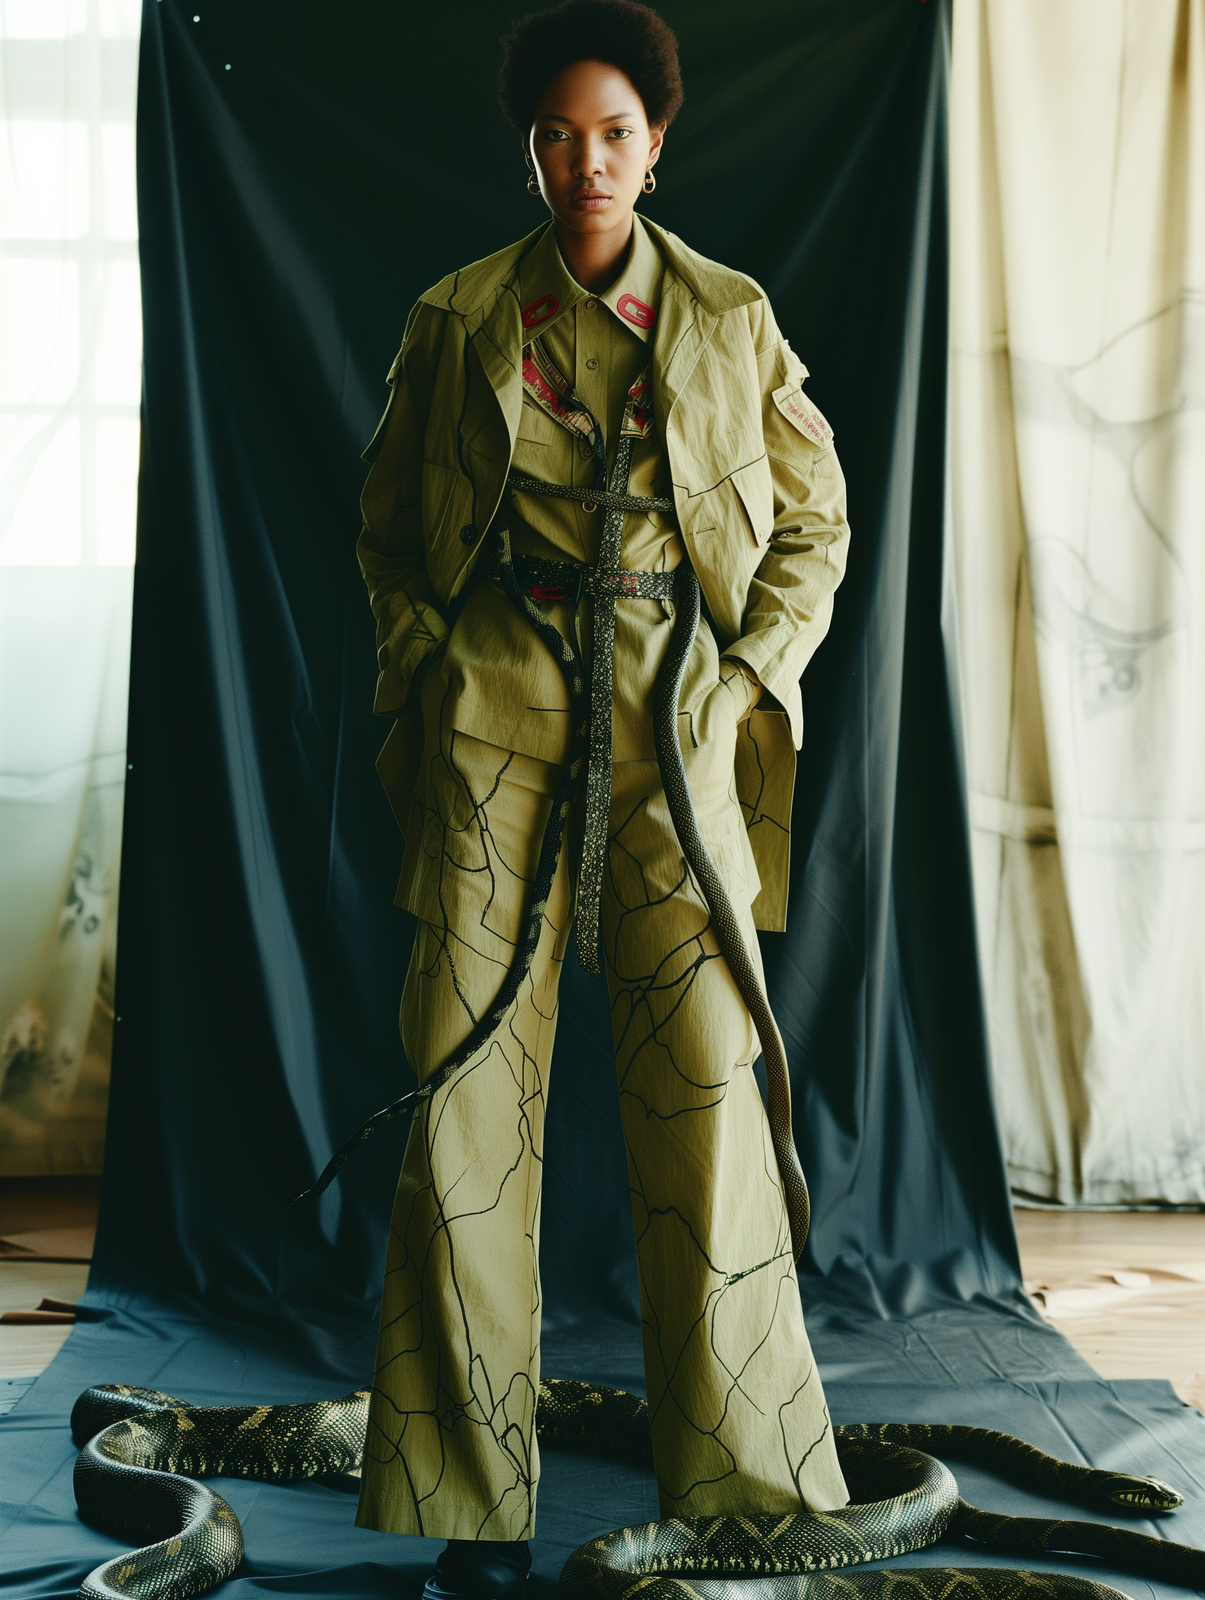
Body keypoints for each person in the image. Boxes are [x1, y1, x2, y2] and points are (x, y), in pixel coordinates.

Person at [353, 2, 852, 1594]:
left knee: (708, 1100)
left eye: (615, 132)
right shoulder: (459, 319)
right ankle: (465, 1507)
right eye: (558, 134)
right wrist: (432, 670)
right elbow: (385, 532)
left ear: (658, 141)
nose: (587, 162)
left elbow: (815, 520)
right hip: (495, 727)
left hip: (670, 733)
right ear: (529, 147)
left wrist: (745, 671)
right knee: (460, 1117)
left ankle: (748, 1496)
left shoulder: (726, 316)